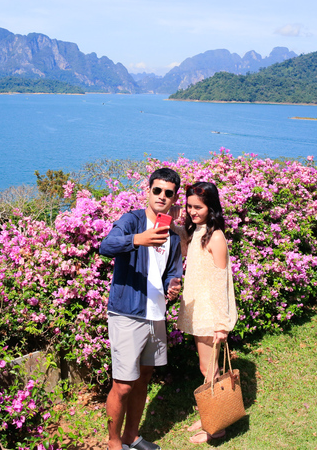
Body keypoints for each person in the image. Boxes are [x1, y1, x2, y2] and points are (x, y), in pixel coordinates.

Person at [99, 168, 184, 450]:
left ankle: (131, 437)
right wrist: (139, 240)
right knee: (123, 384)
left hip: (155, 314)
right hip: (127, 312)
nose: (162, 196)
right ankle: (113, 444)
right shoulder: (132, 220)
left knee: (144, 377)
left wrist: (173, 285)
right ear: (148, 191)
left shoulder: (171, 235)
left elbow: (172, 272)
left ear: (174, 197)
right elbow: (106, 245)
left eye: (168, 193)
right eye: (157, 190)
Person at [175, 182, 238, 445]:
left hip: (211, 314)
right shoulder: (199, 231)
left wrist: (222, 325)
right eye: (189, 206)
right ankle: (209, 415)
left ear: (210, 207)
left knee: (208, 368)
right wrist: (173, 224)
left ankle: (216, 428)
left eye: (197, 207)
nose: (192, 211)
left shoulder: (216, 236)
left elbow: (221, 281)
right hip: (199, 309)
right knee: (208, 368)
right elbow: (187, 248)